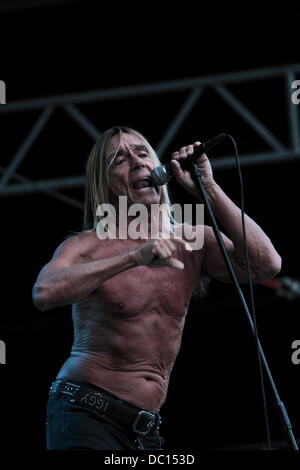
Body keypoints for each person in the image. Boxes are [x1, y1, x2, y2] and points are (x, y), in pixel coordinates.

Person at [32, 126, 281, 450]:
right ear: (104, 182)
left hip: (145, 427)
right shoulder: (87, 245)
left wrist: (208, 186)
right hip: (85, 410)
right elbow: (44, 293)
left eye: (142, 152)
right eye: (119, 159)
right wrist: (135, 257)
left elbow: (266, 264)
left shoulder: (193, 240)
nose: (136, 162)